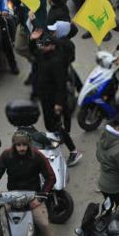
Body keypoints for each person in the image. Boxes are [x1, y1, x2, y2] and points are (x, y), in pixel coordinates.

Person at [0, 130, 61, 236]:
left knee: (44, 225)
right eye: (18, 145)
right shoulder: (6, 155)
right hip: (13, 197)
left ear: (28, 145)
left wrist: (40, 197)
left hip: (33, 197)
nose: (21, 148)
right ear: (14, 145)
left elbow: (51, 177)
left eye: (24, 145)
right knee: (1, 227)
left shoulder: (37, 156)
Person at [30, 29, 82, 166]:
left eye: (45, 45)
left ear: (52, 46)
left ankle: (73, 151)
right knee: (50, 123)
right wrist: (33, 40)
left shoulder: (57, 61)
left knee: (56, 125)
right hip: (45, 96)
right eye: (42, 44)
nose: (42, 47)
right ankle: (55, 140)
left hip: (54, 98)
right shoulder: (43, 54)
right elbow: (34, 52)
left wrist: (58, 103)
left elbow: (60, 85)